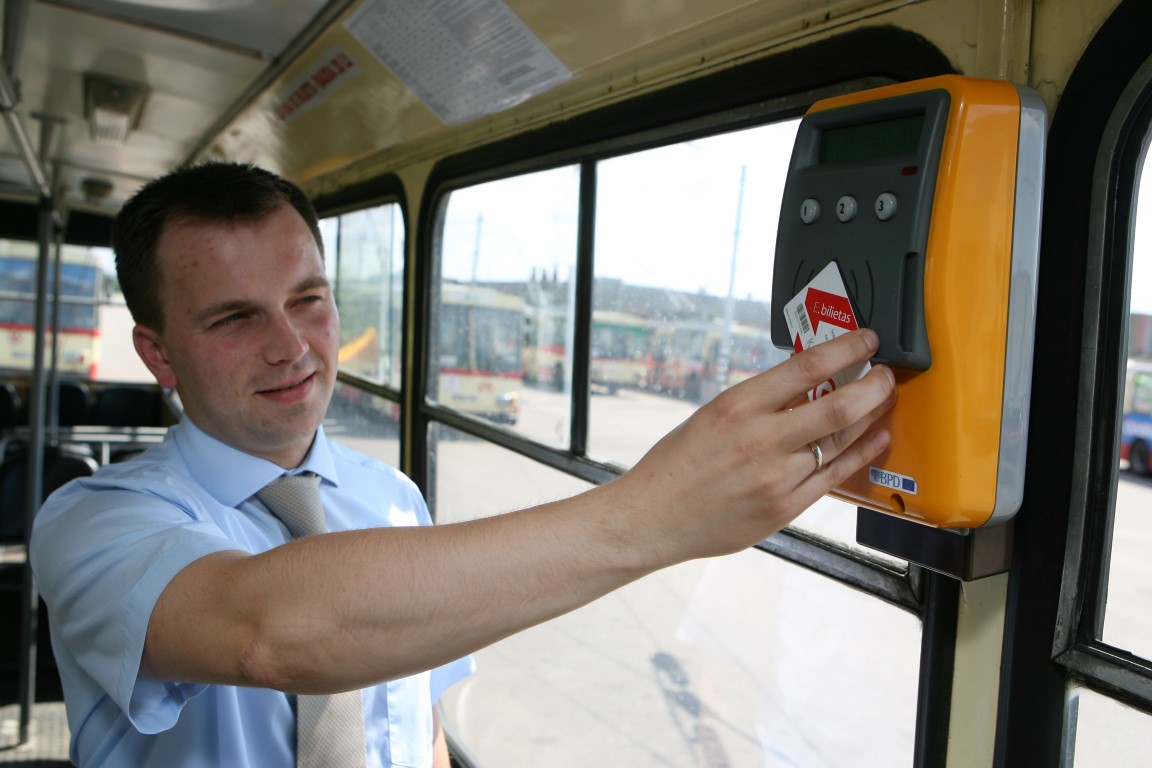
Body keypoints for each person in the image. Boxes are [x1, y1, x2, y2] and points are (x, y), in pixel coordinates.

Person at [30, 162, 896, 767]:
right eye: (234, 320)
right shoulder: (92, 521)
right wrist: (656, 514)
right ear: (159, 354)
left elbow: (411, 728)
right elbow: (272, 632)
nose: (291, 347)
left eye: (308, 300)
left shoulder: (392, 499)